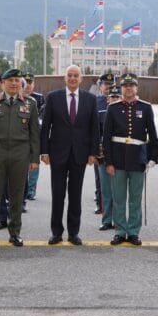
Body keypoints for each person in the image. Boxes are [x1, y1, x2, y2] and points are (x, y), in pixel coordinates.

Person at [0, 69, 40, 247]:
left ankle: (15, 233)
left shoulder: (30, 104)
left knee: (17, 194)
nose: (14, 83)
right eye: (10, 80)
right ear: (2, 83)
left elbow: (34, 134)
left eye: (16, 80)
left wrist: (34, 158)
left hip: (20, 153)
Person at [40, 65, 99, 245]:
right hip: (57, 153)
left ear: (81, 79)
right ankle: (56, 232)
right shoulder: (53, 97)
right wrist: (44, 151)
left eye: (76, 76)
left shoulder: (90, 99)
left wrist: (93, 153)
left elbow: (94, 128)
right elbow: (45, 127)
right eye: (69, 75)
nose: (73, 78)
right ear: (64, 78)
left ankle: (73, 232)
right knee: (57, 194)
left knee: (75, 194)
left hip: (79, 154)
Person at [103, 74, 158, 245]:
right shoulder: (113, 108)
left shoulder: (146, 108)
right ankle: (120, 231)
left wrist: (153, 157)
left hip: (137, 160)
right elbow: (106, 138)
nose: (128, 88)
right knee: (119, 197)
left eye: (131, 85)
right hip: (118, 159)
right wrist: (109, 162)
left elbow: (153, 135)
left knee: (135, 198)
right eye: (125, 85)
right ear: (121, 88)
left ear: (136, 88)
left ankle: (133, 231)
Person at [97, 84, 122, 231]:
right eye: (112, 97)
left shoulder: (125, 114)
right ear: (107, 99)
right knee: (106, 190)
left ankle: (118, 220)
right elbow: (96, 135)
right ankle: (106, 220)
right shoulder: (100, 114)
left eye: (117, 97)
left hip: (120, 157)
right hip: (104, 156)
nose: (114, 99)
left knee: (118, 191)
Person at [94, 73, 115, 214]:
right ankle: (100, 204)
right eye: (106, 84)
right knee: (100, 177)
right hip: (100, 146)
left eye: (111, 84)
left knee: (114, 179)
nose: (108, 87)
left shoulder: (118, 99)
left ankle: (112, 209)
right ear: (100, 86)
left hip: (116, 146)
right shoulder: (95, 101)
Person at [23, 72, 45, 200]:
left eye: (30, 83)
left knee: (34, 164)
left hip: (35, 136)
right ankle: (23, 188)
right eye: (25, 83)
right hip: (22, 136)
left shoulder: (39, 98)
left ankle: (31, 189)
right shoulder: (18, 97)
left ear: (33, 84)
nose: (27, 86)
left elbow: (43, 117)